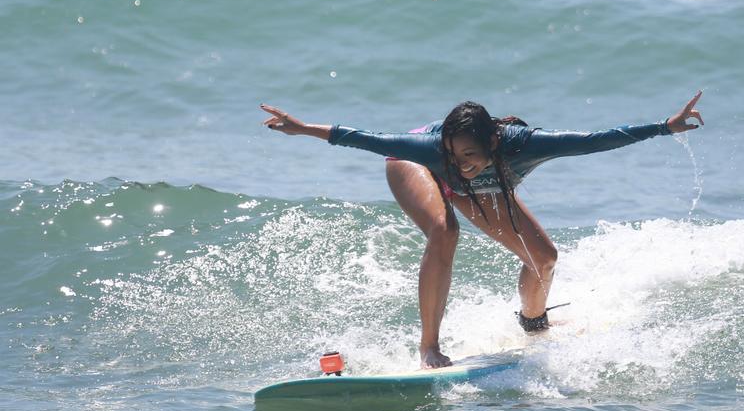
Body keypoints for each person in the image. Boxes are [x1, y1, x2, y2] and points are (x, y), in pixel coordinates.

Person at [260, 91, 704, 368]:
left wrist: (664, 128)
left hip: (484, 185)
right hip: (411, 167)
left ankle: (533, 323)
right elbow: (368, 138)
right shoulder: (434, 151)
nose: (462, 162)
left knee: (544, 258)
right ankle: (429, 347)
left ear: (493, 142)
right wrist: (303, 129)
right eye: (456, 155)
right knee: (443, 230)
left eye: (470, 153)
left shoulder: (525, 145)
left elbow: (595, 139)